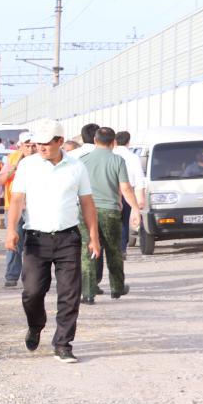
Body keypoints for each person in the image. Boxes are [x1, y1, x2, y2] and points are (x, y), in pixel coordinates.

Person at [6, 119, 101, 363]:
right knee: (32, 292)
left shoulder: (76, 167)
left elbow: (88, 203)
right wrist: (10, 230)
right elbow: (16, 199)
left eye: (46, 143)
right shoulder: (27, 166)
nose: (41, 147)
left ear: (60, 141)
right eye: (38, 143)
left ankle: (63, 343)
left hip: (68, 238)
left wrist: (93, 236)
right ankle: (36, 325)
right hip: (36, 239)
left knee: (70, 293)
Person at [78, 127, 142, 304]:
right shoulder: (117, 160)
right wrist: (135, 208)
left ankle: (88, 292)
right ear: (113, 142)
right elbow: (126, 188)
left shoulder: (82, 160)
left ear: (95, 141)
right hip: (110, 211)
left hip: (85, 210)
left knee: (87, 249)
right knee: (113, 250)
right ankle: (117, 288)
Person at [0, 132, 36, 288]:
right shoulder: (12, 159)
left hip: (35, 208)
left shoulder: (43, 161)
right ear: (21, 146)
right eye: (27, 146)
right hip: (14, 207)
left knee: (33, 245)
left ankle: (31, 276)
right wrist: (14, 168)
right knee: (14, 242)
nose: (31, 149)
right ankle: (12, 275)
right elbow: (1, 180)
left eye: (34, 145)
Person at [114, 131, 145, 253]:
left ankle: (113, 247)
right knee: (124, 222)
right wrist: (140, 199)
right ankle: (122, 248)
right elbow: (139, 179)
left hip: (111, 192)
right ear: (128, 142)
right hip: (128, 192)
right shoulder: (133, 157)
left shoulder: (112, 155)